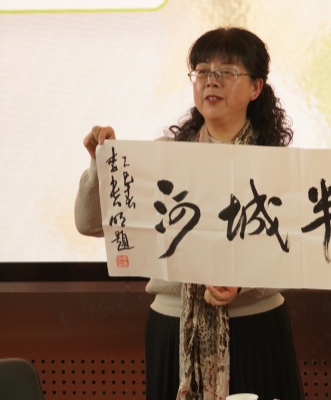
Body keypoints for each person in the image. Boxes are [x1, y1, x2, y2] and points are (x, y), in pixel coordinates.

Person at [75, 27, 305, 400]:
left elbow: (296, 251)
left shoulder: (278, 163)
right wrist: (102, 167)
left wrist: (242, 282)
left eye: (226, 71)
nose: (211, 80)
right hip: (173, 326)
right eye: (202, 71)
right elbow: (89, 223)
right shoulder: (163, 156)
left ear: (255, 87)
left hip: (256, 327)